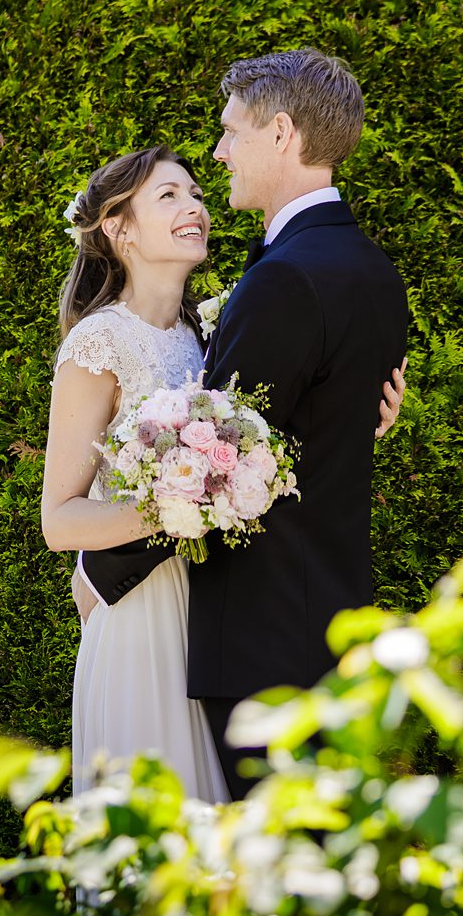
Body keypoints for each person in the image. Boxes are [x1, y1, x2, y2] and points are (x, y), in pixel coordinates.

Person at [74, 48, 411, 800]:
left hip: (264, 644)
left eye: (230, 133)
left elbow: (223, 463)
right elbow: (304, 428)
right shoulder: (374, 273)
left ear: (282, 133)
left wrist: (101, 576)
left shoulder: (284, 279)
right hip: (332, 622)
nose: (220, 151)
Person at [40, 145, 230, 800]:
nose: (194, 207)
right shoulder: (99, 345)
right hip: (136, 618)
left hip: (212, 618)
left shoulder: (209, 335)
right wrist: (172, 508)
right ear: (120, 230)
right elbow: (60, 520)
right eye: (169, 196)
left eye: (197, 194)